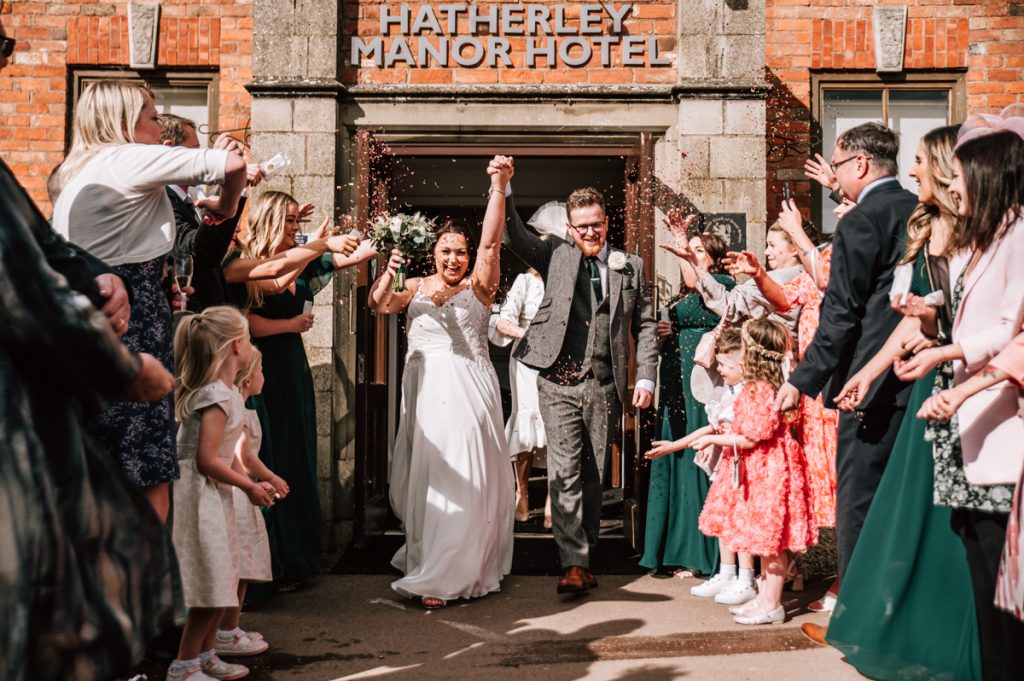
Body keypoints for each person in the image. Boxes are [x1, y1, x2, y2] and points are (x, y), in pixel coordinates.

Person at [819, 125, 983, 680]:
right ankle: (892, 622)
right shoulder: (923, 227)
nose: (912, 173)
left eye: (919, 162)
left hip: (964, 387)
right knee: (912, 516)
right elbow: (914, 323)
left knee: (942, 522)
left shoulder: (974, 236)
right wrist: (867, 373)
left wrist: (937, 343)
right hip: (928, 389)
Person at [51, 80, 248, 523]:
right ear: (125, 124)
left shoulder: (73, 171)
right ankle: (147, 579)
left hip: (90, 306)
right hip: (130, 314)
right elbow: (233, 162)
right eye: (154, 117)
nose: (161, 127)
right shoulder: (126, 156)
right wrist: (227, 202)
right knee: (143, 462)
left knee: (100, 456)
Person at [894, 127, 1024, 681]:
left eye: (959, 175)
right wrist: (935, 337)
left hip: (1001, 424)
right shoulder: (991, 237)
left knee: (1005, 580)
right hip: (971, 420)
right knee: (978, 558)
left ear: (989, 176)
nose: (950, 184)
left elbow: (1009, 331)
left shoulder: (1019, 236)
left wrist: (949, 360)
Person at [498, 163, 660, 595]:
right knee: (564, 470)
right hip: (556, 382)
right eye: (582, 226)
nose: (590, 232)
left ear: (607, 222)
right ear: (570, 227)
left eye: (596, 224)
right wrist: (505, 187)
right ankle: (572, 562)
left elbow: (644, 325)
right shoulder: (554, 255)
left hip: (604, 383)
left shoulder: (631, 267)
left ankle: (584, 558)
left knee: (593, 474)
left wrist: (645, 376)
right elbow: (513, 236)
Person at [774, 123, 918, 596]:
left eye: (837, 166)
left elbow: (840, 314)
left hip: (868, 385)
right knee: (907, 501)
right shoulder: (920, 211)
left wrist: (800, 379)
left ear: (859, 164)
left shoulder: (860, 221)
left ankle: (855, 610)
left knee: (858, 500)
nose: (833, 175)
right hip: (920, 376)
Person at [369, 157, 515, 609]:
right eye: (446, 250)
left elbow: (491, 243)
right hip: (425, 390)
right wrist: (389, 267)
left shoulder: (480, 285)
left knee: (464, 470)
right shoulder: (412, 286)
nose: (454, 259)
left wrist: (498, 185)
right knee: (429, 471)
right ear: (432, 252)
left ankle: (450, 570)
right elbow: (379, 303)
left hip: (468, 386)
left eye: (461, 252)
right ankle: (431, 554)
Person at [237, 191, 372, 592]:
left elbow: (350, 257)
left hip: (293, 369)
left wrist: (383, 234)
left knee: (296, 452)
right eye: (290, 221)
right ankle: (270, 566)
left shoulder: (304, 259)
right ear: (271, 221)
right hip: (263, 369)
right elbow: (247, 322)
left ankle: (297, 559)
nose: (296, 228)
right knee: (269, 452)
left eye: (299, 222)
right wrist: (290, 326)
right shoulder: (253, 266)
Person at [169, 306, 276, 681]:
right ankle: (184, 664)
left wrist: (249, 484)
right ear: (235, 346)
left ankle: (207, 654)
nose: (250, 345)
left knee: (222, 578)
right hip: (199, 496)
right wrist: (248, 485)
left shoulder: (228, 393)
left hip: (215, 494)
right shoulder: (215, 395)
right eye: (247, 338)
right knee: (211, 583)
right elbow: (205, 460)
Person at [694, 319, 817, 625]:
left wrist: (711, 438)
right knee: (761, 539)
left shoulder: (762, 390)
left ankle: (773, 602)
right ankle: (763, 596)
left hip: (770, 470)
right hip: (758, 468)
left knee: (772, 542)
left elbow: (751, 436)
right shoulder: (753, 388)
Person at [639, 231, 733, 581]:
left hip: (702, 386)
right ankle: (671, 548)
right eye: (687, 251)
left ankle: (701, 553)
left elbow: (703, 290)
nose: (688, 257)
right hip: (676, 385)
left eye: (696, 251)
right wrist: (668, 331)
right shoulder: (686, 295)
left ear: (713, 258)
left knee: (697, 455)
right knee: (675, 458)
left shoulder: (721, 285)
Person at [647, 328, 759, 605]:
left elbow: (747, 437)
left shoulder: (750, 395)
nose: (718, 370)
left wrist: (712, 438)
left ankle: (745, 577)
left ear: (742, 365)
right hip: (726, 469)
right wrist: (674, 446)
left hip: (743, 471)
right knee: (723, 521)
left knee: (739, 523)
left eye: (723, 365)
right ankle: (727, 571)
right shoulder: (729, 393)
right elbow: (712, 426)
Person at [215, 349, 288, 658]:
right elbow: (244, 458)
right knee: (239, 565)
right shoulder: (238, 411)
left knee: (242, 566)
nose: (264, 378)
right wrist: (268, 478)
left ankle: (231, 627)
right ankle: (226, 631)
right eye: (261, 372)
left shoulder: (244, 408)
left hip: (242, 491)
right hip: (238, 495)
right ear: (247, 377)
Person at [158, 113, 261, 312]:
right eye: (195, 150)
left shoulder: (191, 197)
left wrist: (234, 186)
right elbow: (197, 253)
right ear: (170, 149)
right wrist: (228, 180)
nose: (201, 157)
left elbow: (213, 250)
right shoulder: (162, 198)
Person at [494, 266, 551, 525]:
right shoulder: (525, 280)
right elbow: (504, 322)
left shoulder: (568, 275)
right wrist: (529, 335)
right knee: (526, 422)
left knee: (556, 424)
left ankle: (554, 496)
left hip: (559, 357)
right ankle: (522, 491)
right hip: (526, 359)